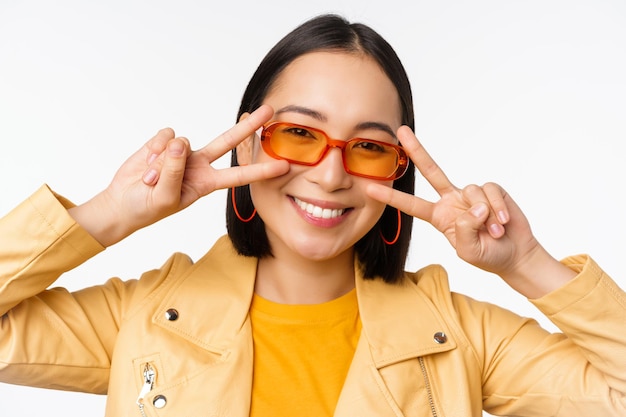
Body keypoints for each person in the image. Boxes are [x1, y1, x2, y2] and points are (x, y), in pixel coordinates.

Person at [0, 13, 624, 417]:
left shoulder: (461, 339)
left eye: (370, 147)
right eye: (299, 134)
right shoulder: (142, 320)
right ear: (246, 144)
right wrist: (112, 212)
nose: (330, 174)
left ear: (396, 170)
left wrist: (527, 263)